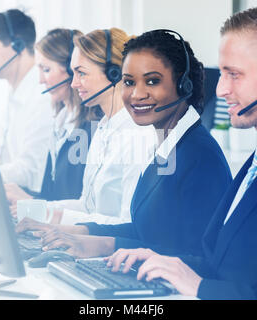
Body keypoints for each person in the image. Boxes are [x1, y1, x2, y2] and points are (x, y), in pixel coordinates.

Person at [106, 6, 257, 299]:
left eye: (234, 74)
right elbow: (228, 268)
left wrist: (200, 287)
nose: (220, 89)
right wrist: (168, 263)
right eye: (222, 74)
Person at [16, 30, 232, 259]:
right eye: (129, 82)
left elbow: (197, 255)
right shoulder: (165, 144)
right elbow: (144, 231)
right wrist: (77, 234)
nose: (136, 94)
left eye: (152, 81)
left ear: (183, 85)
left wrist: (99, 244)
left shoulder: (197, 156)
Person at [16, 28, 156, 226]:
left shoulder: (139, 134)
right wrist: (31, 211)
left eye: (81, 73)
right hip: (90, 248)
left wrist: (53, 218)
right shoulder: (103, 128)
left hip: (112, 252)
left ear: (114, 73)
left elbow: (127, 224)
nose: (73, 84)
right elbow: (87, 206)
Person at [4, 28, 102, 213]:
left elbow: (85, 206)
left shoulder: (94, 129)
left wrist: (30, 201)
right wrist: (24, 200)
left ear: (71, 70)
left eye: (46, 70)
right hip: (54, 231)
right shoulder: (61, 122)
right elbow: (54, 196)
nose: (41, 80)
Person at [0, 9, 53, 192]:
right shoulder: (13, 92)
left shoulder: (42, 97)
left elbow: (29, 171)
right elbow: (0, 154)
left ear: (18, 46)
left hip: (28, 200)